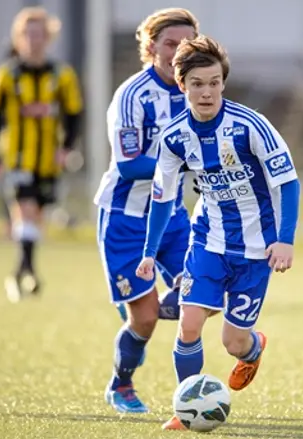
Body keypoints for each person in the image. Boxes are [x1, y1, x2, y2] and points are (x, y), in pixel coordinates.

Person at [136, 34, 301, 430]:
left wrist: (286, 239)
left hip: (256, 251)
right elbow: (162, 198)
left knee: (233, 342)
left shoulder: (250, 126)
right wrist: (148, 251)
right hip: (208, 241)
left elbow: (288, 183)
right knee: (189, 324)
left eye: (213, 82)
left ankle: (254, 348)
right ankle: (186, 408)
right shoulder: (175, 137)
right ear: (183, 86)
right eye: (197, 84)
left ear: (223, 82)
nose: (206, 92)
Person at [93, 8, 200, 414]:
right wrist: (189, 162)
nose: (178, 53)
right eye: (171, 44)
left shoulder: (198, 90)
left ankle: (194, 394)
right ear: (151, 46)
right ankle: (121, 384)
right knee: (145, 319)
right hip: (125, 218)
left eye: (186, 45)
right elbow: (129, 164)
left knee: (201, 292)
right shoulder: (132, 95)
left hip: (171, 216)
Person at [0, 7, 83, 303]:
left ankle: (20, 271)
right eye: (28, 34)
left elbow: (75, 113)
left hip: (48, 159)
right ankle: (29, 272)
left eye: (39, 34)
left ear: (48, 37)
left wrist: (66, 148)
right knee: (24, 208)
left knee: (35, 216)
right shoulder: (6, 74)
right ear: (18, 37)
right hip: (17, 156)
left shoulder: (62, 75)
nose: (34, 40)